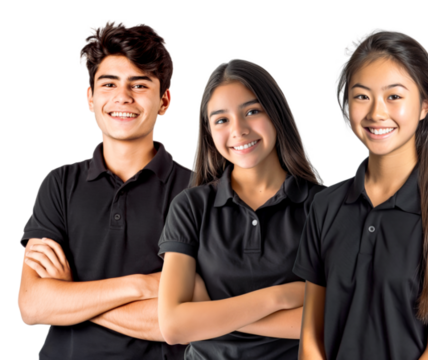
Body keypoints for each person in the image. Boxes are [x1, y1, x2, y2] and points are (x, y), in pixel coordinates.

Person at [293, 28, 428, 360]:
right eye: (361, 96)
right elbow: (311, 338)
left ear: (426, 104)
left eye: (394, 96)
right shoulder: (325, 206)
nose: (376, 113)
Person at [17, 19, 192, 359]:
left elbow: (183, 321)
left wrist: (70, 297)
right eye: (109, 84)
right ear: (90, 97)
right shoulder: (59, 183)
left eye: (139, 85)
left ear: (164, 101)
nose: (122, 97)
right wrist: (143, 286)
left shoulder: (198, 190)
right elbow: (32, 305)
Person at [156, 57, 325, 359]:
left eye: (252, 111)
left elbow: (334, 321)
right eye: (222, 119)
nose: (239, 129)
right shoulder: (191, 207)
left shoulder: (325, 208)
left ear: (276, 114)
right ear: (208, 131)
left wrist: (210, 315)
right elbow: (174, 326)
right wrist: (281, 296)